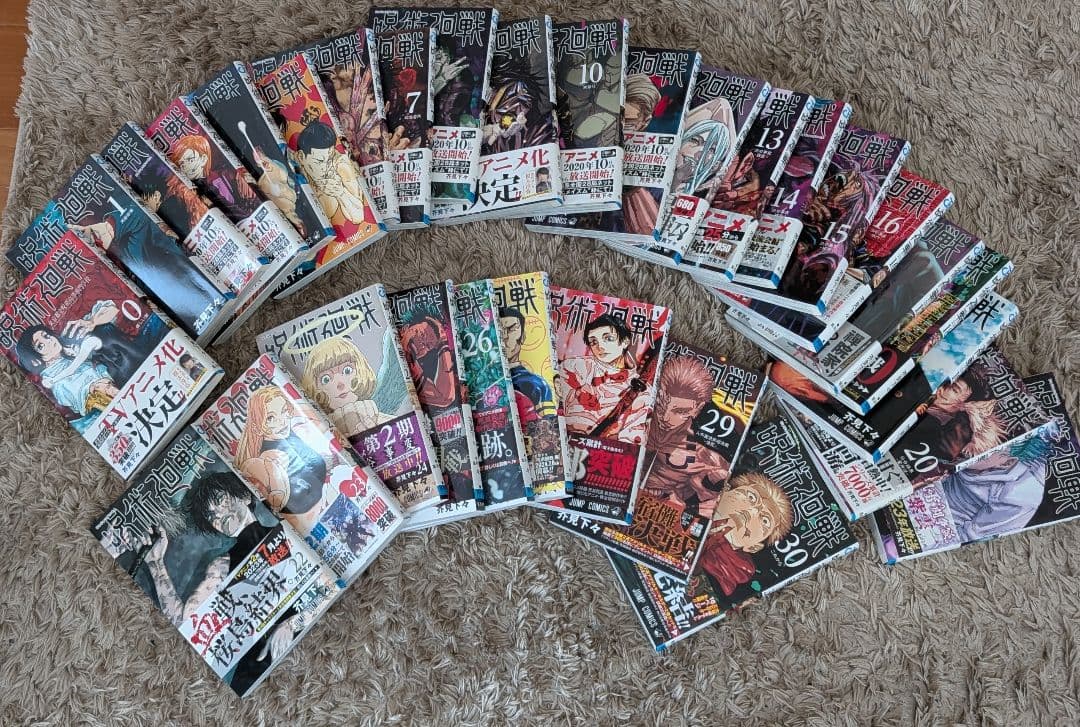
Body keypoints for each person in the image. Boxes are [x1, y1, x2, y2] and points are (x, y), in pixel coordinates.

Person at [640, 355, 729, 518]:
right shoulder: (634, 418)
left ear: (698, 408)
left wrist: (688, 508)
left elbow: (720, 504)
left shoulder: (703, 456)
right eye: (661, 404)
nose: (665, 417)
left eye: (679, 411)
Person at [237, 386, 329, 533]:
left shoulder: (296, 434)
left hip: (328, 502)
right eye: (270, 418)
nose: (281, 421)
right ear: (256, 426)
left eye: (284, 411)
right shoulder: (267, 460)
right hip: (310, 524)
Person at [696, 471, 795, 596]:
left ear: (754, 547)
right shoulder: (688, 502)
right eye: (751, 497)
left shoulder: (731, 574)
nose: (752, 512)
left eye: (765, 520)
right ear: (726, 490)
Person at [559, 313, 650, 443]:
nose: (600, 347)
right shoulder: (574, 367)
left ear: (625, 341)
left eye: (608, 338)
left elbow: (632, 438)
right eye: (593, 342)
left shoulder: (641, 389)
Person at [939, 437, 1051, 542]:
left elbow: (970, 536)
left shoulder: (1016, 497)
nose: (967, 447)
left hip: (945, 525)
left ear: (1007, 462)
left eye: (984, 450)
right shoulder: (976, 461)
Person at [299, 336, 390, 438]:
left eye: (347, 370)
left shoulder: (389, 422)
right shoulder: (318, 436)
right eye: (326, 379)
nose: (340, 384)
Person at [294, 120, 374, 227]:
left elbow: (359, 217)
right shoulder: (292, 168)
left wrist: (341, 193)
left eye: (329, 160)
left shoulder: (341, 165)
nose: (325, 168)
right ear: (301, 157)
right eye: (319, 162)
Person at [172, 134, 262, 220]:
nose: (186, 166)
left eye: (190, 160)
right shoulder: (187, 194)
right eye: (182, 164)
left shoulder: (224, 175)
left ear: (203, 159)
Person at [497, 306, 555, 420]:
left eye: (511, 329)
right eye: (499, 331)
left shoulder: (537, 385)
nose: (504, 336)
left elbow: (548, 424)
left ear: (523, 337)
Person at [399, 315, 458, 409]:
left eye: (428, 346)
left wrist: (443, 343)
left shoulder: (412, 369)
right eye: (422, 334)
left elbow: (445, 398)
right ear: (404, 329)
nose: (422, 344)